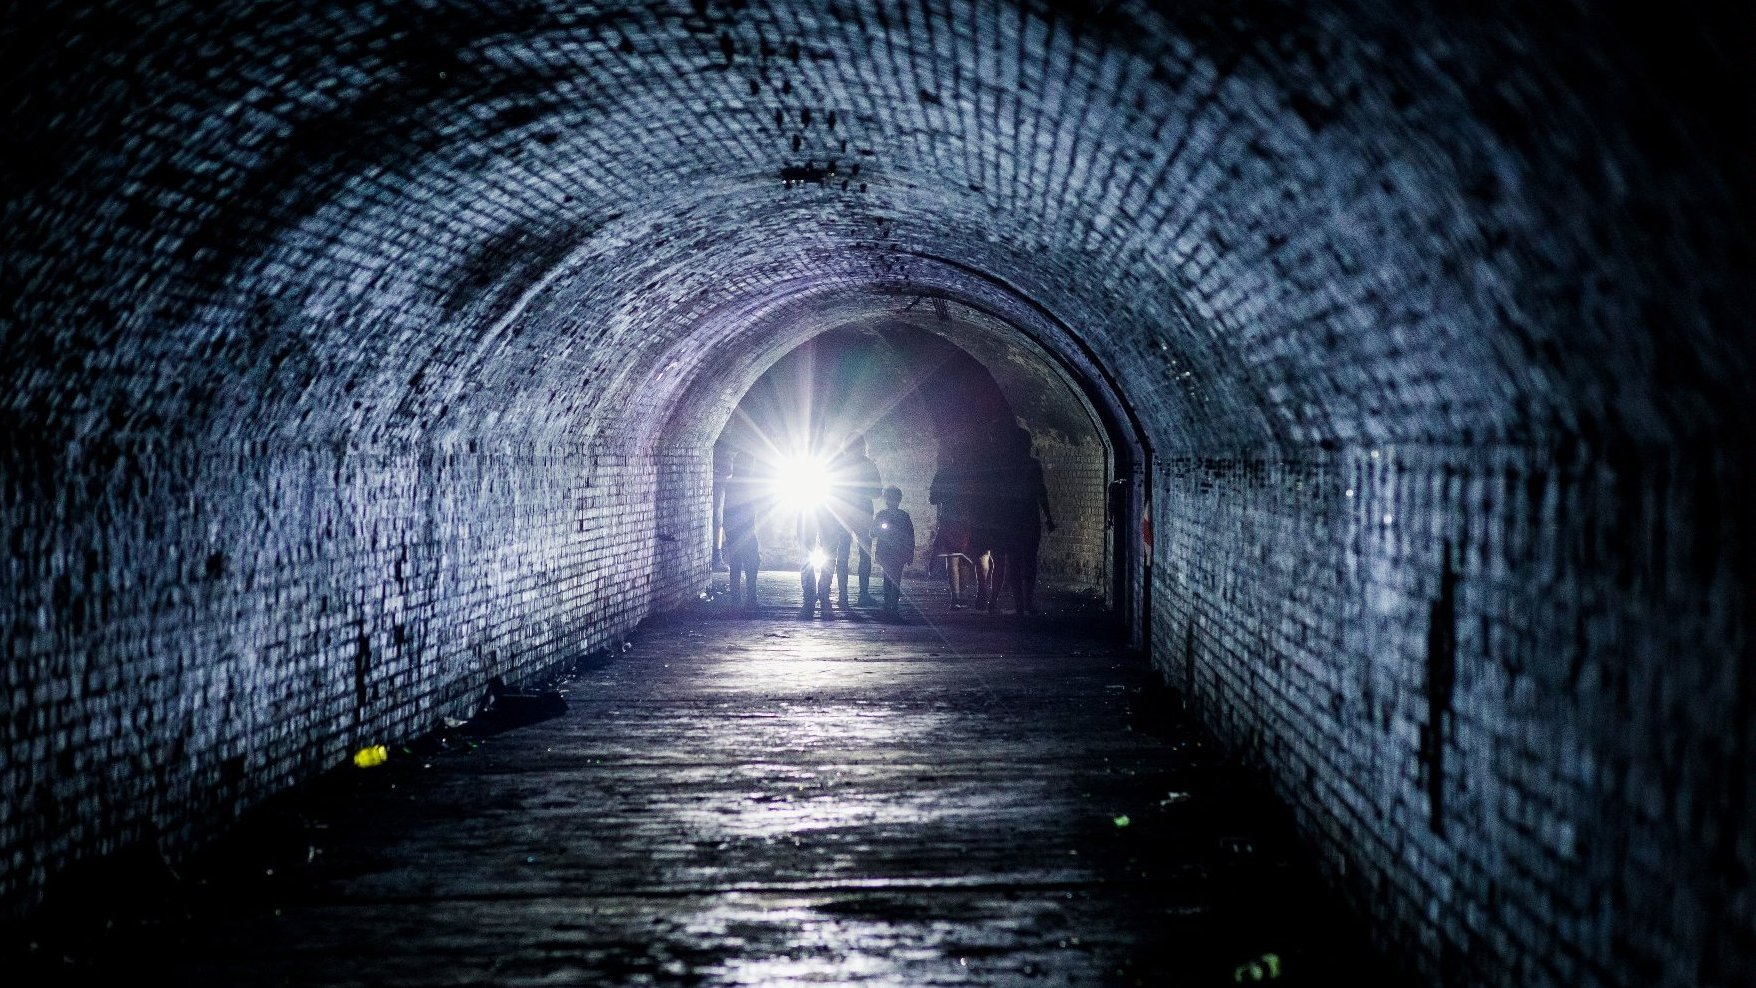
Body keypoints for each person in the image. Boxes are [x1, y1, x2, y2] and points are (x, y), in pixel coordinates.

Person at [999, 427, 1056, 616]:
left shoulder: (1005, 466)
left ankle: (1019, 604)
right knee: (1029, 560)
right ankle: (1028, 601)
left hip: (1010, 519)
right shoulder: (1033, 465)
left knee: (1013, 561)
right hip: (1029, 517)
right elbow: (1041, 491)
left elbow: (998, 494)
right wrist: (1048, 516)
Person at [826, 433, 883, 608]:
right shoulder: (868, 464)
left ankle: (843, 596)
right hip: (863, 514)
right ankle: (862, 594)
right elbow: (877, 492)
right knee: (864, 554)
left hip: (844, 513)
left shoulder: (839, 464)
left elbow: (831, 490)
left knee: (842, 554)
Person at [928, 439, 975, 609]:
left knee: (952, 560)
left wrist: (946, 496)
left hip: (949, 519)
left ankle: (955, 597)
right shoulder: (970, 474)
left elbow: (933, 499)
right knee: (964, 559)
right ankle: (962, 595)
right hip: (965, 520)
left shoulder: (943, 473)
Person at [720, 452, 763, 609]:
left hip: (735, 531)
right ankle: (750, 599)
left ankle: (736, 600)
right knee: (752, 563)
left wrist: (729, 530)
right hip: (744, 531)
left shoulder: (732, 483)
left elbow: (727, 509)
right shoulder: (745, 484)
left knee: (737, 565)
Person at [872, 486, 916, 619]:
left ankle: (890, 605)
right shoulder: (903, 516)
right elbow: (873, 532)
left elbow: (872, 532)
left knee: (891, 579)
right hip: (893, 552)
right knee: (894, 579)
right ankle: (891, 605)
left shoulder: (885, 515)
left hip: (892, 552)